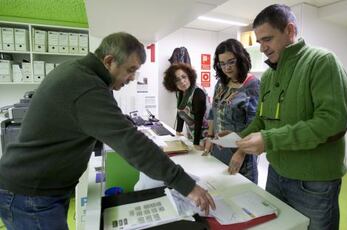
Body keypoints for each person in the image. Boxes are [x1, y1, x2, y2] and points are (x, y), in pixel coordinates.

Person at [0, 32, 215, 229]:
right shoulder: (87, 85)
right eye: (130, 70)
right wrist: (186, 185)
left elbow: (109, 122)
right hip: (31, 195)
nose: (132, 78)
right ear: (109, 61)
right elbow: (130, 143)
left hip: (37, 190)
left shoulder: (82, 74)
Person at [230, 4, 347, 230]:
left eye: (268, 39)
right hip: (276, 175)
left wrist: (269, 140)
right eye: (259, 42)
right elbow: (262, 121)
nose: (263, 48)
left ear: (290, 30)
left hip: (314, 183)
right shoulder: (268, 75)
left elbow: (332, 123)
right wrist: (236, 137)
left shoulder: (321, 61)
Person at [204, 38, 260, 183]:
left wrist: (241, 153)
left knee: (242, 196)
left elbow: (255, 125)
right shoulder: (221, 84)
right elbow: (213, 112)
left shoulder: (253, 86)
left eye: (231, 62)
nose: (227, 68)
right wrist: (210, 138)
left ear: (241, 59)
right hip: (219, 149)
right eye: (222, 64)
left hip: (242, 152)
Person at [163, 63, 209, 150]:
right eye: (177, 80)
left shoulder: (198, 93)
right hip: (192, 134)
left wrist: (196, 143)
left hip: (203, 136)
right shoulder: (180, 92)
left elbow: (198, 120)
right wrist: (178, 130)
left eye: (184, 77)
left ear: (189, 76)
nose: (182, 82)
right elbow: (180, 110)